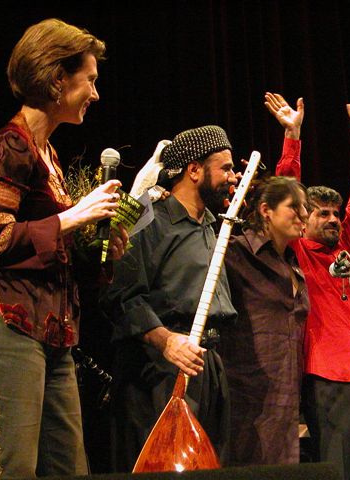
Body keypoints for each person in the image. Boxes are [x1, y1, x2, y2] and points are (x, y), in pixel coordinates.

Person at [0, 18, 127, 479]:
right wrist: (73, 217)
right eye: (89, 80)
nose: (95, 93)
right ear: (57, 79)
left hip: (52, 331)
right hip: (7, 320)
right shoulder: (9, 147)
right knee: (10, 468)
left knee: (69, 469)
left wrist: (101, 248)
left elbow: (52, 252)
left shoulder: (49, 155)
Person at [266, 92, 350, 479]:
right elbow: (286, 191)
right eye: (323, 214)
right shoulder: (299, 250)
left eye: (336, 214)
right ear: (303, 219)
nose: (335, 219)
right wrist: (292, 136)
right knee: (337, 466)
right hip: (326, 377)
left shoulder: (346, 246)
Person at [101, 125, 239, 470]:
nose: (233, 177)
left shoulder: (212, 226)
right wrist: (166, 341)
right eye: (225, 168)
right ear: (194, 170)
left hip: (207, 365)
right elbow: (120, 295)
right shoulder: (147, 218)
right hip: (160, 368)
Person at [218, 176, 309, 465]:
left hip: (287, 396)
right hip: (246, 397)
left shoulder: (293, 263)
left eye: (305, 207)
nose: (304, 214)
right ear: (266, 210)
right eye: (294, 206)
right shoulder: (234, 252)